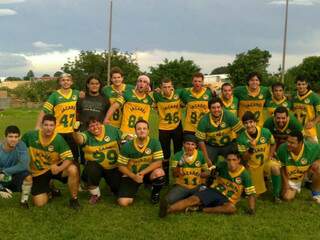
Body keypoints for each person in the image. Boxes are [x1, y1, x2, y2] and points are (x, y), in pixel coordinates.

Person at [159, 150, 256, 218]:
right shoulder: (222, 165)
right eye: (229, 160)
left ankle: (200, 209)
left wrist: (251, 209)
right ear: (226, 160)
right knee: (193, 199)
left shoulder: (245, 175)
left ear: (239, 160)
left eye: (234, 160)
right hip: (214, 191)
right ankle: (167, 210)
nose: (231, 163)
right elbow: (207, 173)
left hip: (228, 199)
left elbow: (251, 193)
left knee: (231, 209)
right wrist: (206, 173)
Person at [22, 114, 80, 209]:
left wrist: (59, 168)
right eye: (46, 125)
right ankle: (49, 191)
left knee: (73, 169)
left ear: (55, 126)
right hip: (38, 172)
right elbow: (19, 147)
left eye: (51, 125)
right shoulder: (30, 136)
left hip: (54, 168)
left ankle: (74, 199)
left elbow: (69, 158)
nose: (48, 128)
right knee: (39, 203)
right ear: (41, 125)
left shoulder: (58, 139)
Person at [72, 117, 122, 204]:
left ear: (101, 124)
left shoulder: (111, 129)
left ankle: (112, 187)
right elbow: (79, 140)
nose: (95, 127)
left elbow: (123, 138)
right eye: (91, 126)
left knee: (118, 189)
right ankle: (95, 195)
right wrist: (75, 131)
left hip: (113, 167)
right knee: (92, 168)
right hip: (95, 167)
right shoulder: (86, 135)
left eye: (97, 124)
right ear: (88, 129)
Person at [117, 120, 165, 206]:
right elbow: (120, 166)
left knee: (159, 173)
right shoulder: (127, 146)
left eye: (144, 128)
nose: (142, 131)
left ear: (148, 131)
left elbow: (158, 162)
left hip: (147, 172)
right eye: (139, 129)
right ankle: (134, 187)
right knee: (123, 202)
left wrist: (142, 173)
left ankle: (155, 193)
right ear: (135, 131)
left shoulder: (154, 143)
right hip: (132, 174)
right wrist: (134, 176)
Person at [35, 73, 80, 162]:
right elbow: (44, 111)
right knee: (57, 158)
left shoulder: (77, 94)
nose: (65, 82)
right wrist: (37, 126)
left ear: (71, 82)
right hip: (59, 131)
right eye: (63, 80)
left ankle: (75, 175)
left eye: (68, 80)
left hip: (72, 131)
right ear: (60, 82)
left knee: (74, 159)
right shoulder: (54, 95)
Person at [237, 111, 280, 201]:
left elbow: (273, 143)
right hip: (252, 166)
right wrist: (251, 148)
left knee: (275, 168)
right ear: (243, 125)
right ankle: (263, 181)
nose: (249, 125)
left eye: (251, 122)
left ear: (255, 122)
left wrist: (270, 155)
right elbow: (244, 159)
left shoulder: (265, 132)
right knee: (255, 196)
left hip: (265, 162)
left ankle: (276, 195)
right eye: (246, 123)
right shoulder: (241, 138)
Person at [275, 130, 320, 203]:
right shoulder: (282, 149)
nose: (288, 144)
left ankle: (316, 194)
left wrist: (318, 161)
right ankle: (301, 184)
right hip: (290, 177)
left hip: (305, 172)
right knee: (286, 197)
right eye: (288, 141)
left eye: (292, 143)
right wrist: (286, 183)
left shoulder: (311, 148)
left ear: (301, 143)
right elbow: (281, 168)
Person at [196, 97, 243, 166]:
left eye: (218, 107)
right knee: (204, 164)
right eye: (213, 108)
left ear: (222, 107)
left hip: (228, 145)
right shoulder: (204, 120)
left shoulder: (229, 116)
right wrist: (206, 158)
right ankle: (211, 175)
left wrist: (240, 147)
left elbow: (240, 132)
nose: (216, 110)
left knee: (238, 162)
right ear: (209, 109)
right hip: (211, 146)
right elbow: (200, 141)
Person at [104, 75, 153, 139]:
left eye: (144, 82)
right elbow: (114, 106)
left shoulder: (150, 99)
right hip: (126, 132)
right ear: (136, 83)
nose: (141, 83)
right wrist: (106, 119)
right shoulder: (127, 94)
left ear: (147, 85)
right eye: (140, 81)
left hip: (141, 132)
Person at [153, 78, 183, 183]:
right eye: (164, 87)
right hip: (163, 128)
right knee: (165, 155)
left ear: (172, 87)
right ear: (161, 88)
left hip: (177, 127)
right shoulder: (157, 95)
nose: (167, 89)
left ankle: (178, 178)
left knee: (178, 153)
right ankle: (165, 179)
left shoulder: (178, 94)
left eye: (169, 87)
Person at [164, 134, 209, 205]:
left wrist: (204, 174)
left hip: (197, 186)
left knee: (208, 200)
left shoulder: (200, 155)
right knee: (168, 200)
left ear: (196, 146)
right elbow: (174, 174)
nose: (190, 147)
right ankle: (189, 197)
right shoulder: (177, 156)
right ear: (183, 144)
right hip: (182, 186)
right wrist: (179, 165)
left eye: (192, 144)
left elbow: (206, 172)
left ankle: (188, 199)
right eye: (187, 144)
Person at [0, 126, 32, 208]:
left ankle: (24, 202)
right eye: (10, 136)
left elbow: (24, 165)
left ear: (19, 137)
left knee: (28, 177)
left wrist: (4, 172)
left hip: (10, 173)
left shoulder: (21, 145)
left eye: (16, 137)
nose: (13, 139)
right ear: (5, 137)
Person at [291, 75, 320, 143]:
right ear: (296, 85)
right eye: (299, 84)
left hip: (309, 130)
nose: (301, 86)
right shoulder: (294, 97)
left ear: (307, 85)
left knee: (313, 150)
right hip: (297, 129)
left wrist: (313, 123)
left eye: (303, 84)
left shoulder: (314, 97)